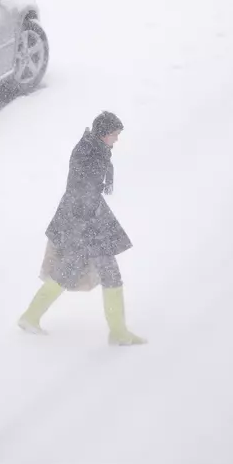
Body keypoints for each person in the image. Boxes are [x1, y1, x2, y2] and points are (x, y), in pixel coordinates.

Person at [17, 111, 146, 346]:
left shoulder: (94, 149)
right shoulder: (91, 153)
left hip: (84, 219)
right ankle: (118, 332)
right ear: (104, 134)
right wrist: (87, 226)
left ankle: (31, 316)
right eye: (115, 135)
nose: (116, 139)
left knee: (70, 270)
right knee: (107, 272)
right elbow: (83, 190)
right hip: (86, 221)